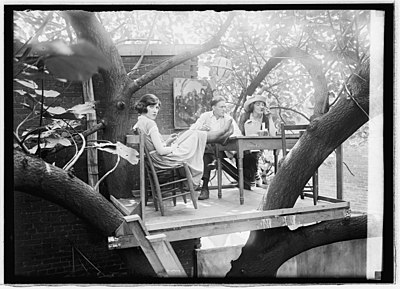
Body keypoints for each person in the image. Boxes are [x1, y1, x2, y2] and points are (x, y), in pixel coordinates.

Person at [132, 94, 233, 188]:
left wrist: (168, 142)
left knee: (190, 132)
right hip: (164, 159)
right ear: (144, 107)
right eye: (151, 107)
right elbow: (161, 151)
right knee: (195, 134)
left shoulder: (140, 122)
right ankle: (220, 135)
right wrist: (174, 147)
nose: (155, 111)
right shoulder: (150, 124)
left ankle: (220, 136)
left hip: (159, 157)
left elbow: (154, 146)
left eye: (157, 107)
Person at [190, 95, 242, 200]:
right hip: (207, 148)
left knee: (208, 150)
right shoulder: (205, 116)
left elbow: (237, 133)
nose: (224, 109)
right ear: (213, 107)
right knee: (207, 150)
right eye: (221, 107)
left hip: (223, 148)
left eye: (225, 107)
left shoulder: (228, 119)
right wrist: (201, 128)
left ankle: (205, 188)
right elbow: (192, 128)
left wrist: (227, 136)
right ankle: (205, 185)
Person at [238, 94, 277, 187]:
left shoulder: (265, 118)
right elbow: (240, 132)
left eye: (263, 104)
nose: (261, 107)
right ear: (252, 106)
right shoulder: (246, 116)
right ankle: (251, 176)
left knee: (254, 155)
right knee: (246, 156)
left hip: (260, 146)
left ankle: (253, 176)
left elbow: (273, 134)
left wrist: (270, 118)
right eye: (258, 104)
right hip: (245, 144)